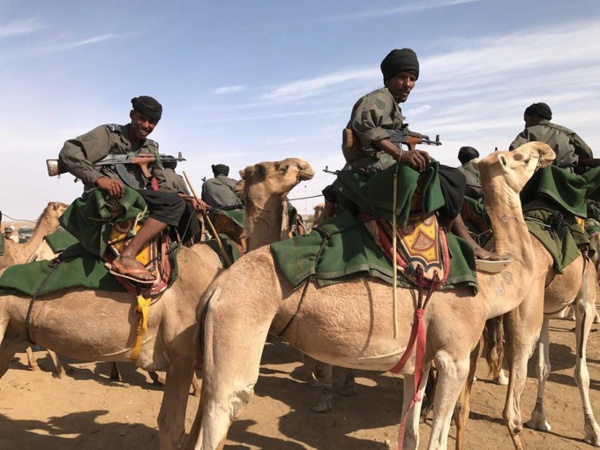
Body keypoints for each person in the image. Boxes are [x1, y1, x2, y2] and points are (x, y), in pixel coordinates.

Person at [331, 48, 498, 260]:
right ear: (388, 78)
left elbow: (389, 132)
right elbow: (367, 128)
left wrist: (407, 137)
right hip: (369, 169)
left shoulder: (392, 105)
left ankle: (452, 238)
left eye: (412, 79)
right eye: (402, 77)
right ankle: (466, 240)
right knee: (447, 176)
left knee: (445, 175)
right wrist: (401, 155)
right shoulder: (379, 98)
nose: (408, 84)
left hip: (379, 167)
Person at [58, 95, 200, 283]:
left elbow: (160, 182)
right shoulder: (109, 134)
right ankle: (126, 257)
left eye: (152, 122)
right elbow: (70, 151)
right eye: (142, 118)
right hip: (108, 195)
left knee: (187, 207)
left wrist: (183, 196)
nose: (146, 125)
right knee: (172, 204)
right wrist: (98, 178)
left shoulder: (151, 147)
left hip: (136, 195)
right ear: (132, 115)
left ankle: (178, 263)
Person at [509, 102, 594, 171]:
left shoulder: (527, 133)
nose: (525, 125)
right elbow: (587, 153)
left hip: (536, 180)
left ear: (534, 118)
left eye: (526, 120)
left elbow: (513, 151)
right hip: (566, 179)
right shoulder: (566, 132)